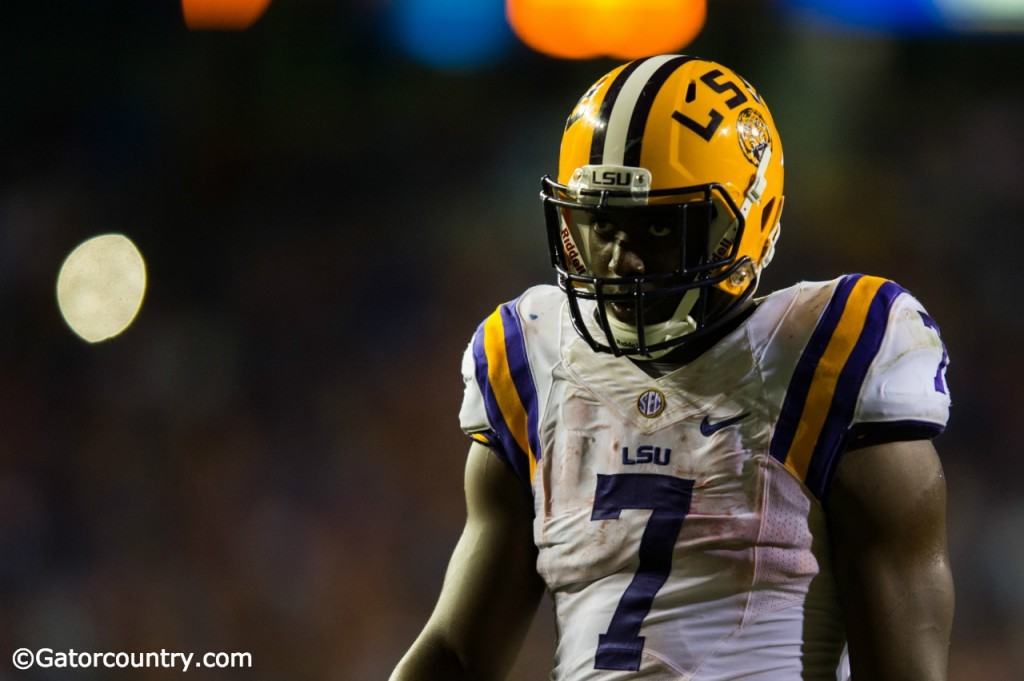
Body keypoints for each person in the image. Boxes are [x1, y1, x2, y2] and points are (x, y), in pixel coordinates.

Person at [390, 55, 954, 681]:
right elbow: (456, 652)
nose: (621, 259)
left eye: (660, 225)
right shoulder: (529, 358)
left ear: (747, 219)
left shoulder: (832, 353)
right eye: (602, 223)